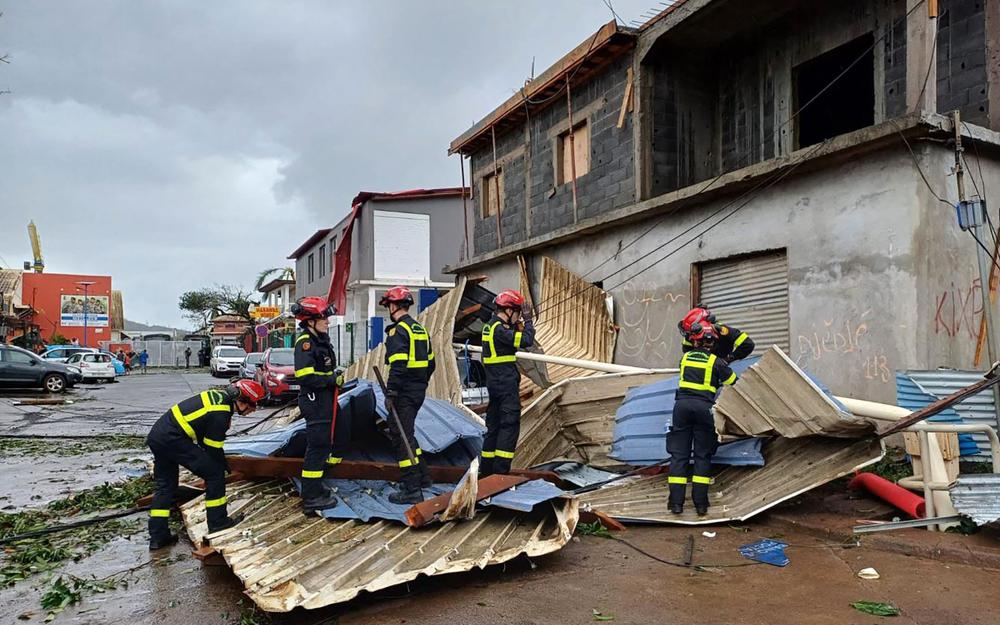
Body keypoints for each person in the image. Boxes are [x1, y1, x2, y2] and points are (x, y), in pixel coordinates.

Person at [145, 379, 265, 550]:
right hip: (174, 440)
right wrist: (223, 466)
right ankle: (218, 522)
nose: (253, 411)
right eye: (253, 406)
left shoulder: (217, 398)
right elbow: (212, 447)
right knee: (215, 474)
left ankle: (158, 537)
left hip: (158, 437)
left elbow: (203, 436)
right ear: (243, 401)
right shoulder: (222, 411)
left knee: (165, 487)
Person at [669, 320, 737, 516]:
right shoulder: (716, 362)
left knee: (679, 456)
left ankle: (676, 504)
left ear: (695, 341)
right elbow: (733, 383)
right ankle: (700, 505)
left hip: (681, 408)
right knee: (702, 456)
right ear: (712, 343)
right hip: (704, 410)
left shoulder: (685, 359)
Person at [380, 286, 435, 504]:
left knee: (400, 436)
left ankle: (412, 489)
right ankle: (423, 477)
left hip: (403, 392)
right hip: (417, 389)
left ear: (393, 306)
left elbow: (398, 365)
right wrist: (420, 383)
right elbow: (431, 363)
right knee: (408, 434)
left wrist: (392, 392)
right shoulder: (419, 329)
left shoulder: (398, 331)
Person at [290, 296, 342, 513]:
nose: (327, 322)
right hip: (315, 401)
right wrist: (332, 380)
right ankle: (311, 497)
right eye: (323, 318)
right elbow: (305, 376)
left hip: (324, 399)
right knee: (317, 446)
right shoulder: (306, 343)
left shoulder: (320, 340)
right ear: (310, 320)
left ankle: (316, 488)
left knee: (323, 446)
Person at [480, 289, 535, 476]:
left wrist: (516, 325)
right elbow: (527, 340)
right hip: (506, 386)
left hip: (494, 386)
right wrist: (528, 322)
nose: (519, 316)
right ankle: (500, 475)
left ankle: (486, 473)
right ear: (509, 311)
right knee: (509, 427)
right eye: (518, 312)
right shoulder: (500, 330)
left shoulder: (489, 326)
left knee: (493, 428)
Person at [678, 306, 755, 364]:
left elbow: (747, 344)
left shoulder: (722, 331)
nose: (691, 338)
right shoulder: (689, 336)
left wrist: (728, 359)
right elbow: (687, 353)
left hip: (723, 370)